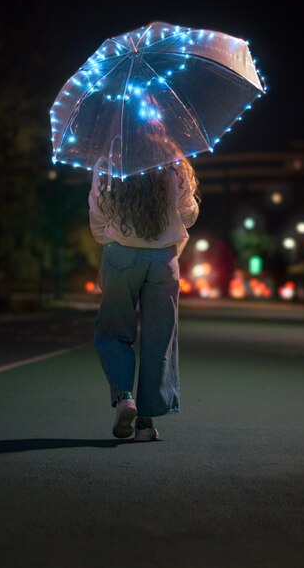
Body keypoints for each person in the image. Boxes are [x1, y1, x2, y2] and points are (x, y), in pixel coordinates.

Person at [88, 147, 200, 442]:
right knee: (159, 338)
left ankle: (125, 397)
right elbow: (188, 215)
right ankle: (146, 424)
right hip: (163, 260)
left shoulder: (108, 162)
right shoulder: (174, 163)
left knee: (113, 331)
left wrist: (110, 241)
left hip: (120, 254)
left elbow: (97, 213)